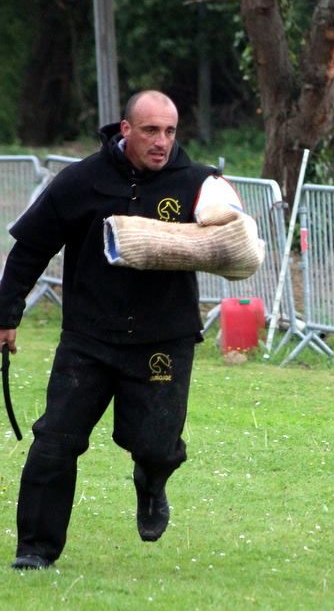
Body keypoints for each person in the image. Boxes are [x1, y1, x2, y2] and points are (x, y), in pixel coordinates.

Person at [0, 90, 243, 570]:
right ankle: (35, 550)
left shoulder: (196, 184)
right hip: (89, 338)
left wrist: (225, 205)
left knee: (156, 444)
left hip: (163, 339)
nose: (162, 142)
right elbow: (29, 248)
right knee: (55, 442)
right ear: (125, 129)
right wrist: (6, 314)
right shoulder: (81, 181)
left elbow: (237, 240)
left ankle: (151, 482)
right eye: (151, 130)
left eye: (171, 132)